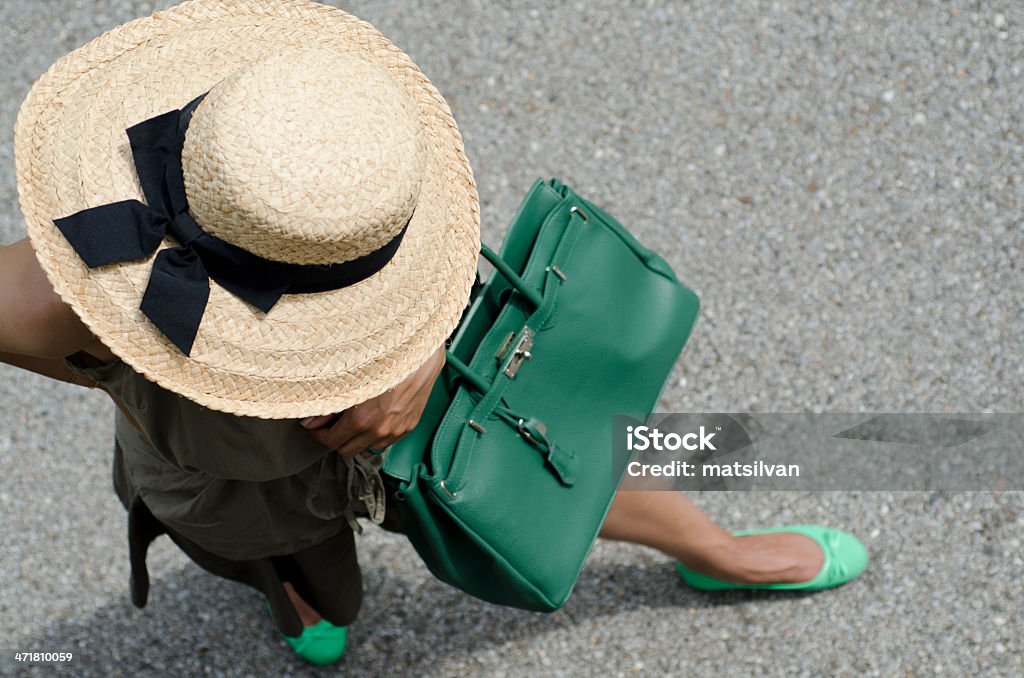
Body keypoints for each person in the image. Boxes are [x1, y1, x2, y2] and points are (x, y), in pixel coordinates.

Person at [0, 0, 867, 666]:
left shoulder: (325, 137)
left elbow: (414, 226)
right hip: (234, 480)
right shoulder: (81, 266)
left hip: (429, 392)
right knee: (292, 570)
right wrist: (157, 368)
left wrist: (414, 349)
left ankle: (716, 551)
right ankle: (298, 594)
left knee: (562, 454)